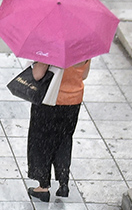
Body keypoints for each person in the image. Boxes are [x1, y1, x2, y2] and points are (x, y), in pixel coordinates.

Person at [25, 59, 90, 202]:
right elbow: (83, 75)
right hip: (73, 101)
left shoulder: (52, 47)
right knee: (64, 140)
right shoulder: (84, 47)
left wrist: (36, 62)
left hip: (50, 99)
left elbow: (38, 74)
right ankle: (63, 183)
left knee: (42, 141)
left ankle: (43, 187)